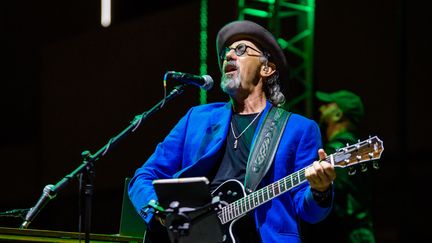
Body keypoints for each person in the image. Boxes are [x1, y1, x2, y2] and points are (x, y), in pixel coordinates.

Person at [128, 20, 336, 243]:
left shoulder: (298, 129)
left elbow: (311, 213)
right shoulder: (197, 119)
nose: (228, 56)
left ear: (266, 68)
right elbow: (143, 176)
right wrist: (159, 213)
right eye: (226, 52)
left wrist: (320, 190)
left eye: (240, 50)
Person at [301, 90, 376, 243]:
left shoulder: (338, 152)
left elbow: (338, 199)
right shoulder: (359, 149)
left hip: (347, 235)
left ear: (337, 115)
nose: (321, 108)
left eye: (328, 105)